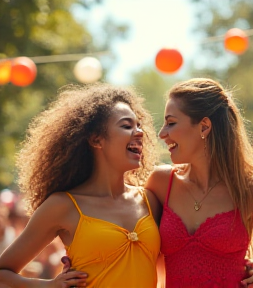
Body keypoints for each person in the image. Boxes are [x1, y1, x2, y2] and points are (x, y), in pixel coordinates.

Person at [0, 83, 162, 288]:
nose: (139, 133)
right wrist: (49, 285)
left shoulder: (151, 200)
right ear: (96, 140)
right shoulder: (62, 206)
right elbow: (3, 273)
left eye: (139, 125)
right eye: (127, 126)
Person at [145, 77, 253, 288]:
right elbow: (124, 235)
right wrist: (78, 264)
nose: (162, 133)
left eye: (171, 123)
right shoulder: (160, 183)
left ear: (204, 127)